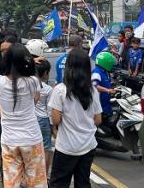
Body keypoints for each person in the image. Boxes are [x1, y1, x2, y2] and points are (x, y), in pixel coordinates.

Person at [0, 43, 47, 188]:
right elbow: (35, 99)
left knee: (12, 181)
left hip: (9, 139)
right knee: (36, 182)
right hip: (31, 138)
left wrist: (3, 114)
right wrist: (31, 62)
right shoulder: (32, 82)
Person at [48, 50, 102, 188]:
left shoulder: (60, 90)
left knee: (59, 183)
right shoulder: (93, 91)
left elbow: (55, 120)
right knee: (83, 183)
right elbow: (98, 120)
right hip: (88, 145)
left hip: (67, 146)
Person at [34, 59, 53, 175]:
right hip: (44, 119)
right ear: (45, 73)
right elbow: (49, 110)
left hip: (32, 118)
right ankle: (44, 175)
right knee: (46, 148)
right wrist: (53, 127)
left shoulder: (30, 85)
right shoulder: (48, 89)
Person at [92, 52, 116, 122]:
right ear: (106, 63)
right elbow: (94, 85)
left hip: (106, 104)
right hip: (100, 106)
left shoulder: (104, 71)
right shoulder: (96, 72)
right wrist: (107, 90)